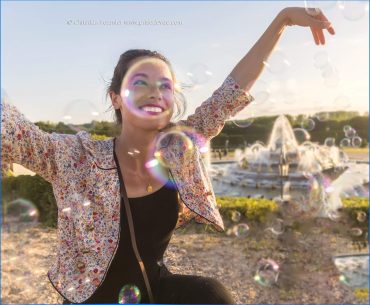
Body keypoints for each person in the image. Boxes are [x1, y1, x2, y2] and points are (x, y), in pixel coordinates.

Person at [1, 7, 335, 304]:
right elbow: (17, 133)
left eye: (164, 85)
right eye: (140, 83)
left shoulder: (178, 148)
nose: (154, 92)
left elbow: (232, 90)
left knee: (211, 295)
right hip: (93, 299)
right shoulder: (76, 156)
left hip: (152, 290)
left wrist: (284, 19)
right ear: (116, 97)